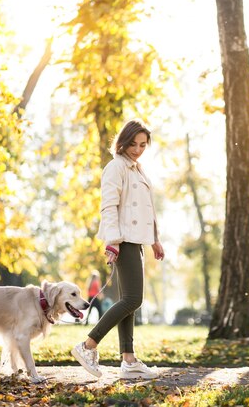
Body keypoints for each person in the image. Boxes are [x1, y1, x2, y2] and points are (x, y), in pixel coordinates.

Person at [71, 118, 164, 379]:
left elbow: (148, 209)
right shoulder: (115, 167)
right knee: (134, 299)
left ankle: (129, 360)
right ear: (123, 141)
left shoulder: (138, 169)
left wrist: (155, 239)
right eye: (133, 143)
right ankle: (87, 345)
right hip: (123, 240)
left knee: (128, 301)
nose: (137, 149)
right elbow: (108, 206)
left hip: (137, 239)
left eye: (143, 144)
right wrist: (112, 240)